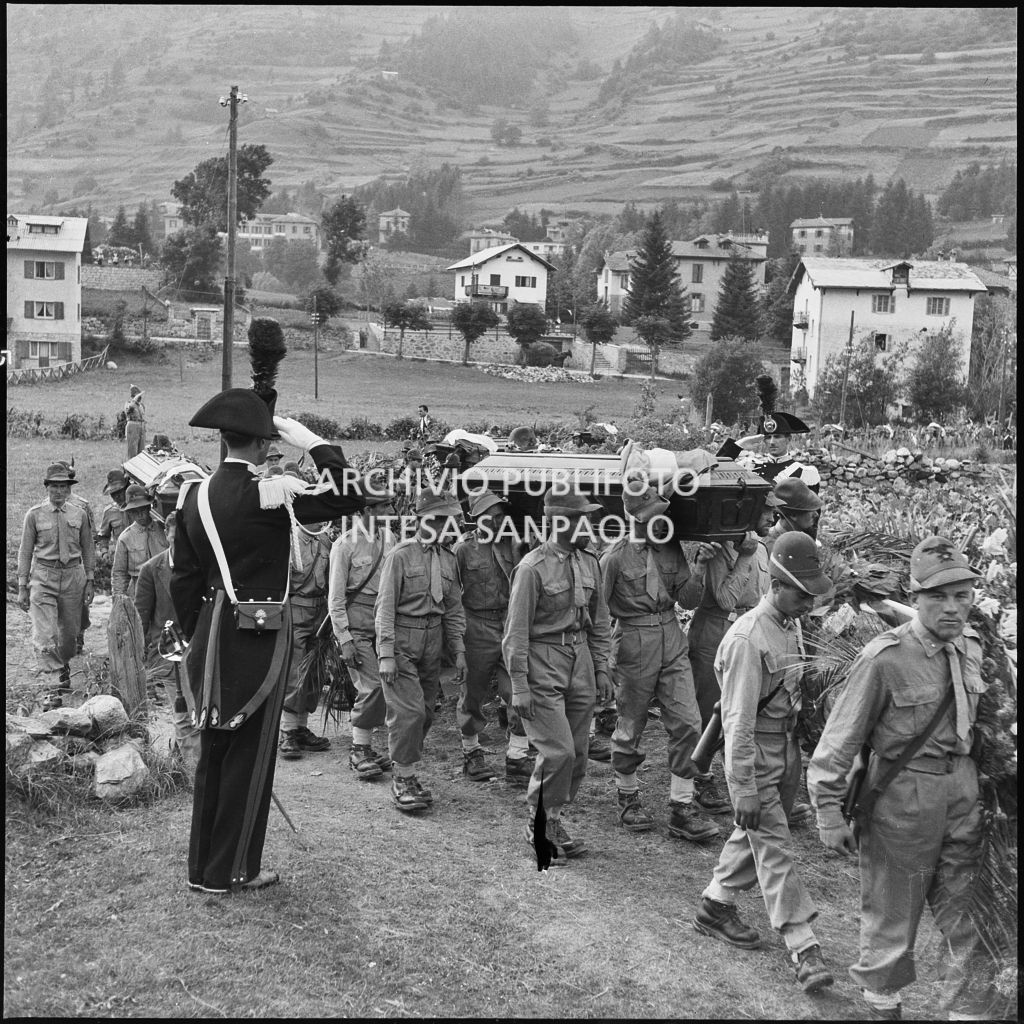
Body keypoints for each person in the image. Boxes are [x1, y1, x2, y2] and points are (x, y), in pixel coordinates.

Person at [170, 388, 363, 895]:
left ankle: (202, 870)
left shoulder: (193, 495)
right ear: (262, 443)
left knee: (215, 749)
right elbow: (350, 497)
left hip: (210, 637)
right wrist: (314, 442)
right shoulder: (271, 494)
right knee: (250, 755)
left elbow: (184, 581)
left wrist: (198, 637)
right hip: (259, 639)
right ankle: (233, 871)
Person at [807, 537, 992, 1020]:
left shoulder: (972, 648)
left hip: (963, 794)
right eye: (938, 597)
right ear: (915, 597)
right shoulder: (884, 659)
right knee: (893, 912)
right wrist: (828, 813)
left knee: (968, 911)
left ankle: (966, 1010)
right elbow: (839, 741)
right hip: (903, 799)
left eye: (962, 595)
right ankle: (882, 1002)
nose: (952, 608)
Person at [692, 532, 834, 995]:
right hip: (756, 753)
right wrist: (744, 788)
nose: (808, 604)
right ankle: (804, 947)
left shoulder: (789, 624)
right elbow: (737, 723)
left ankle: (715, 906)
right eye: (801, 594)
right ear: (775, 584)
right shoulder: (747, 639)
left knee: (754, 833)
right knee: (774, 846)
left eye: (811, 596)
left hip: (785, 749)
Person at [600, 485, 721, 842]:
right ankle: (628, 796)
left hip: (671, 637)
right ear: (635, 518)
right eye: (653, 516)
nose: (661, 521)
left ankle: (681, 806)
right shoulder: (614, 557)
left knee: (689, 721)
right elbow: (599, 612)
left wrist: (699, 568)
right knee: (631, 723)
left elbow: (688, 600)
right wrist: (601, 661)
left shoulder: (670, 548)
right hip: (633, 642)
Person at [502, 487, 613, 862]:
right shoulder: (531, 568)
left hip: (580, 660)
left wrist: (601, 668)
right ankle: (538, 824)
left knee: (578, 753)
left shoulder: (590, 562)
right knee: (558, 751)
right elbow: (515, 633)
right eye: (582, 519)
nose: (590, 526)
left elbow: (599, 621)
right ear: (558, 523)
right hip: (542, 660)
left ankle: (552, 819)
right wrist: (519, 686)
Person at [687, 488, 784, 816]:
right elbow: (726, 599)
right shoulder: (720, 549)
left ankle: (737, 776)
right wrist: (744, 555)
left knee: (743, 708)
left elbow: (762, 595)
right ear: (748, 513)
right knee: (710, 709)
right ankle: (701, 778)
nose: (772, 516)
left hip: (748, 633)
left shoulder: (760, 548)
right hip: (715, 632)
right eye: (766, 510)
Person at [375, 489, 468, 813]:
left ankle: (405, 767)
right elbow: (385, 607)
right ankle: (402, 779)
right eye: (437, 518)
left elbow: (453, 609)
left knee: (426, 712)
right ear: (419, 520)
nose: (444, 525)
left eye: (448, 519)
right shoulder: (400, 556)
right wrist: (386, 653)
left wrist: (458, 650)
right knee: (409, 713)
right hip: (403, 639)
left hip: (433, 642)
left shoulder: (449, 559)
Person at [454, 491, 531, 783]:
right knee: (472, 693)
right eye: (491, 517)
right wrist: (456, 640)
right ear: (476, 519)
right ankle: (471, 753)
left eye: (500, 516)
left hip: (509, 624)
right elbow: (452, 595)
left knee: (518, 689)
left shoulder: (514, 544)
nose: (497, 522)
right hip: (477, 626)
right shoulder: (464, 550)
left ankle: (517, 757)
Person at [329, 485, 399, 780]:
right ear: (367, 510)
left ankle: (366, 747)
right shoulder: (345, 545)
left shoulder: (390, 538)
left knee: (386, 684)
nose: (390, 511)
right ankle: (358, 749)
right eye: (384, 507)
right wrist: (344, 639)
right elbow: (335, 599)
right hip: (356, 626)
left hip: (383, 624)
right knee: (372, 685)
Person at [16, 462, 96, 695]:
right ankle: (53, 681)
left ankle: (63, 663)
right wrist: (22, 586)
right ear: (47, 487)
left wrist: (90, 580)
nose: (59, 491)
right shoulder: (34, 515)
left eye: (63, 486)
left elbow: (88, 548)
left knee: (69, 635)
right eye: (54, 486)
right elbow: (25, 551)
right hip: (43, 577)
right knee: (45, 633)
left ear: (69, 489)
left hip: (73, 577)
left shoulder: (79, 514)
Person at [277, 495, 334, 761]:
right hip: (295, 610)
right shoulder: (288, 542)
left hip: (320, 611)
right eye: (315, 515)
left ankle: (301, 728)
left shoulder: (325, 541)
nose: (321, 520)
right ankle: (287, 731)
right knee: (294, 672)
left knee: (314, 673)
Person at [111, 485, 168, 600]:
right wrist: (119, 599)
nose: (140, 515)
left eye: (142, 510)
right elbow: (119, 573)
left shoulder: (164, 530)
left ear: (148, 508)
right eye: (134, 512)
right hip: (139, 590)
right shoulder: (125, 538)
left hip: (164, 586)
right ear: (129, 513)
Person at [763, 477, 823, 557]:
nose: (816, 514)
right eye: (810, 510)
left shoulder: (799, 540)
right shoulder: (771, 547)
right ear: (793, 515)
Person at [96, 469, 130, 555]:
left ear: (126, 489)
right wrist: (104, 552)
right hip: (121, 555)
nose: (117, 496)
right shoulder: (109, 512)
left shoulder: (138, 507)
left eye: (119, 492)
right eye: (113, 493)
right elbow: (103, 536)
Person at [124, 385, 146, 460]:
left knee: (142, 449)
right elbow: (128, 411)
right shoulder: (129, 404)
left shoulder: (141, 405)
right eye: (138, 395)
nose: (140, 397)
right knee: (132, 448)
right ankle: (131, 464)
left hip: (141, 426)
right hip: (133, 426)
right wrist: (134, 401)